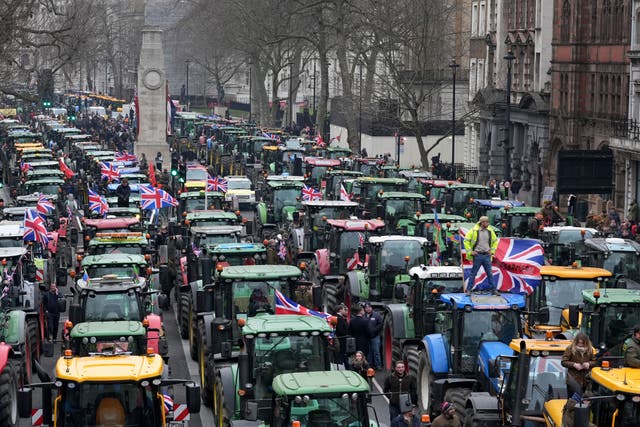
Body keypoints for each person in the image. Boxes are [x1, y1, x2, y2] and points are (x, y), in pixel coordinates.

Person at [463, 216, 498, 294]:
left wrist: (492, 251)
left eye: (488, 222)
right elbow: (466, 241)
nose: (487, 223)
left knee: (490, 273)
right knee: (473, 273)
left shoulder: (490, 231)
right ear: (481, 223)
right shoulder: (474, 231)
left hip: (487, 255)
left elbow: (495, 241)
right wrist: (470, 252)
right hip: (478, 255)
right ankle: (469, 290)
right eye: (486, 222)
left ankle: (494, 290)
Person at [561, 332, 596, 396]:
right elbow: (563, 362)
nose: (580, 345)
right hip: (573, 380)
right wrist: (574, 365)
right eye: (578, 342)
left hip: (586, 380)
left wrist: (588, 364)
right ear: (576, 341)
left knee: (585, 401)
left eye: (582, 343)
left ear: (586, 342)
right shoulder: (570, 348)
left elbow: (595, 362)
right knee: (573, 400)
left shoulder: (590, 349)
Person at [363, 302, 383, 370]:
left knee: (376, 351)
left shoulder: (376, 315)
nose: (368, 309)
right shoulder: (363, 316)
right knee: (369, 352)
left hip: (375, 336)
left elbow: (380, 324)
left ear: (371, 308)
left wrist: (374, 330)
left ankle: (378, 365)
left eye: (369, 307)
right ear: (364, 309)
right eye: (366, 308)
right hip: (366, 337)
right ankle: (369, 365)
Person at [334, 304, 349, 368]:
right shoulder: (339, 318)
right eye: (344, 309)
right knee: (341, 355)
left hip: (340, 340)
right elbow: (340, 330)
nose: (345, 311)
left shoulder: (339, 318)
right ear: (340, 310)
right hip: (341, 340)